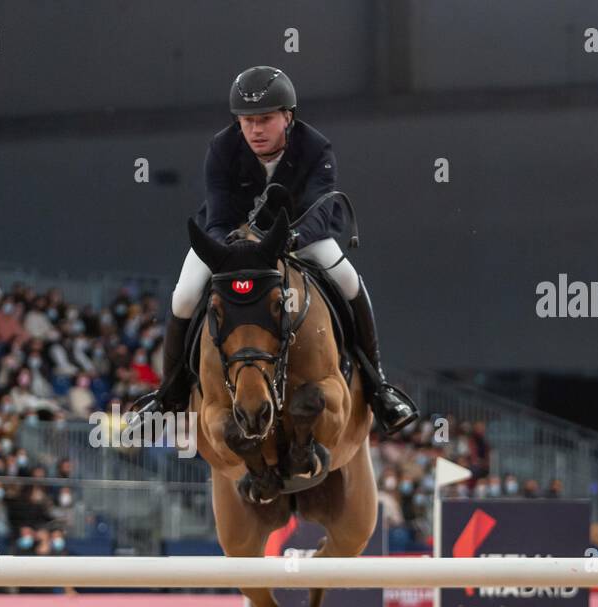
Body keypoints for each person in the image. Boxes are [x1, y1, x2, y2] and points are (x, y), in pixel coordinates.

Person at [137, 65, 417, 434]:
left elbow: (322, 209)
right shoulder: (222, 148)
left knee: (348, 281)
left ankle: (378, 386)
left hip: (301, 235)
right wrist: (229, 250)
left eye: (265, 119)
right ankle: (169, 393)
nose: (255, 129)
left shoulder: (316, 148)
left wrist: (291, 240)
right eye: (247, 120)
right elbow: (219, 215)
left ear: (287, 117)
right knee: (185, 296)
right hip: (232, 238)